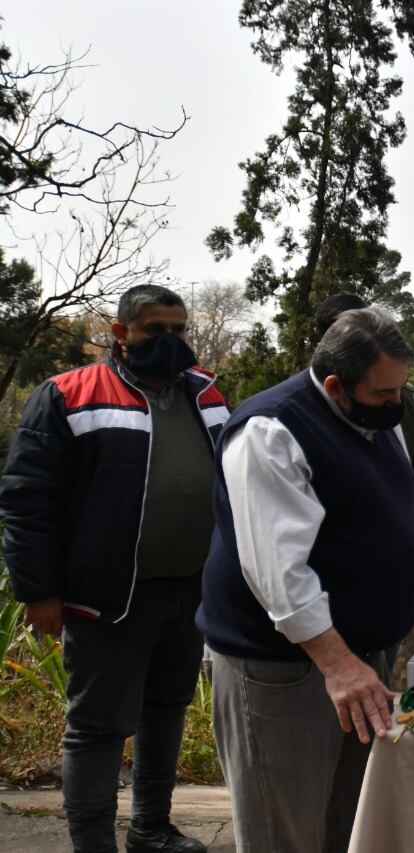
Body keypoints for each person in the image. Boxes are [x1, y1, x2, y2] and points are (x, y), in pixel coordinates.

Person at [196, 308, 414, 853]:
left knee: (352, 823)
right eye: (385, 394)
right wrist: (337, 664)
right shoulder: (271, 430)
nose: (397, 404)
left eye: (400, 390)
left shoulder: (377, 419)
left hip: (359, 660)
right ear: (336, 386)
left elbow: (402, 511)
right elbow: (276, 569)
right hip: (286, 669)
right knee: (284, 831)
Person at [0, 284, 229, 853]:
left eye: (179, 330)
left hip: (191, 591)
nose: (171, 341)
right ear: (120, 334)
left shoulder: (207, 394)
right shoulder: (67, 395)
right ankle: (94, 843)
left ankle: (151, 828)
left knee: (166, 711)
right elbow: (27, 500)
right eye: (156, 330)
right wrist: (38, 591)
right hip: (107, 596)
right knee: (98, 728)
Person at [313, 293, 414, 682]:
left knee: (380, 688)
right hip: (323, 608)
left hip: (389, 593)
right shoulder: (290, 421)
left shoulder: (402, 405)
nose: (393, 401)